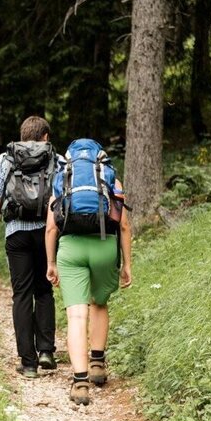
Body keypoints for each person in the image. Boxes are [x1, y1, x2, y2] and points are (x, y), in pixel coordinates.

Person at [44, 139, 133, 405]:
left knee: (76, 315)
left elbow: (51, 228)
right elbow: (125, 226)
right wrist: (127, 263)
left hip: (71, 249)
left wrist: (51, 262)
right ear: (99, 158)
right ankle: (97, 364)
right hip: (104, 246)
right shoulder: (110, 179)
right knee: (99, 303)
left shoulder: (63, 178)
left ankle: (80, 382)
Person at [0, 116, 61, 378]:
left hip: (17, 234)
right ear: (45, 137)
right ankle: (47, 351)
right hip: (46, 233)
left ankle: (28, 363)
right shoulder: (56, 159)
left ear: (22, 136)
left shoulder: (6, 159)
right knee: (44, 290)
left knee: (22, 295)